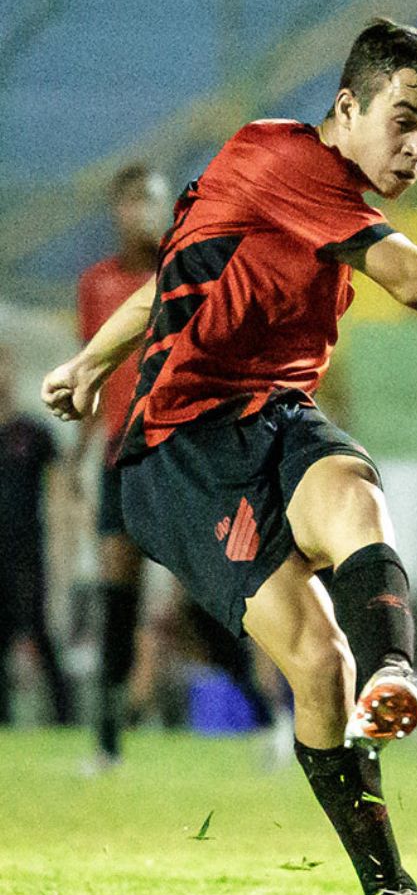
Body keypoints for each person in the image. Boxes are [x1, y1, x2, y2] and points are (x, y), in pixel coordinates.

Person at [42, 19, 417, 895]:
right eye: (404, 119)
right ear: (346, 107)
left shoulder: (301, 187)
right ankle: (388, 884)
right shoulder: (293, 165)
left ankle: (393, 676)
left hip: (270, 415)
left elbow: (172, 282)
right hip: (182, 454)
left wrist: (90, 363)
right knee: (314, 661)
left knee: (353, 498)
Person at [74, 163, 280, 772]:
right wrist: (81, 453)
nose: (140, 213)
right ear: (115, 210)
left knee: (203, 604)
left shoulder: (187, 271)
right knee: (117, 596)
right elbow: (97, 367)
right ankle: (107, 745)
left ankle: (269, 719)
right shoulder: (96, 285)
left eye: (152, 202)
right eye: (130, 201)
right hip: (122, 458)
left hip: (184, 456)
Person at [0, 346, 76, 726]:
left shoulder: (31, 433)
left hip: (26, 553)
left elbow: (62, 490)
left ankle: (65, 719)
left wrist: (66, 547)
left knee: (40, 634)